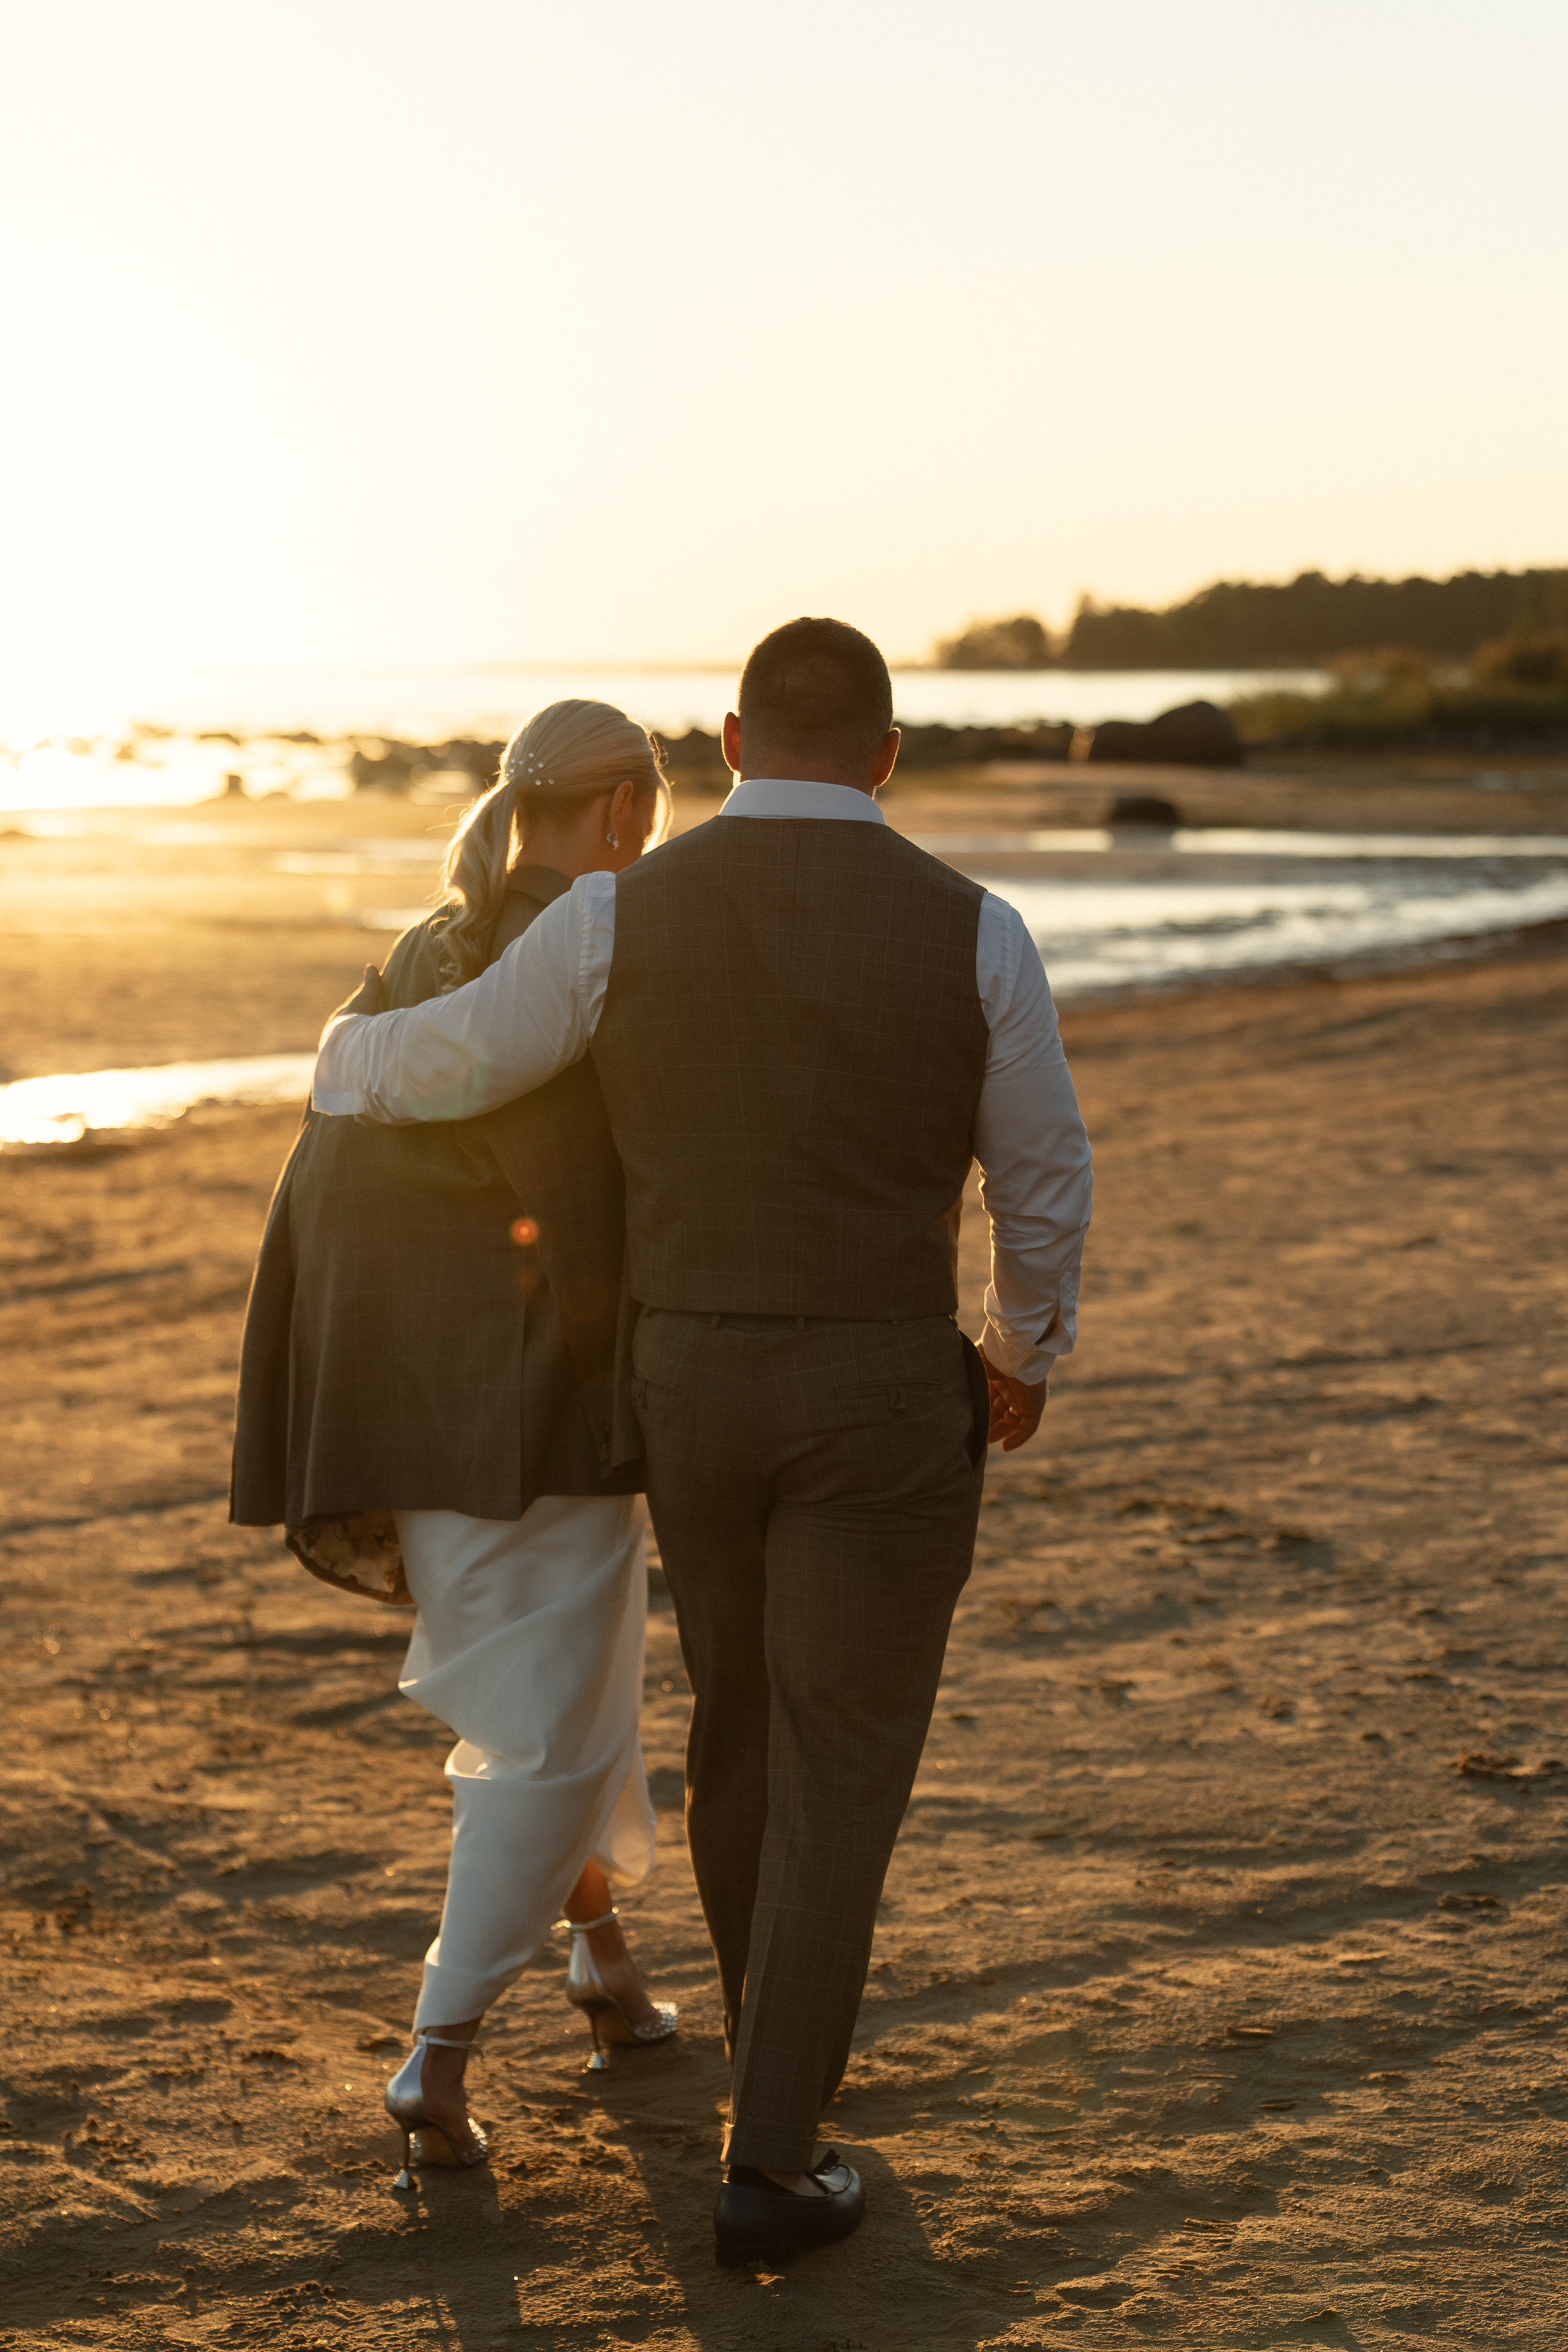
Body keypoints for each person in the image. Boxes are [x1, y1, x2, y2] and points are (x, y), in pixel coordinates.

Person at [310, 619, 1093, 2261]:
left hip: (696, 1401)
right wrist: (1023, 1354)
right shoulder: (979, 931)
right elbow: (1042, 1180)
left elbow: (451, 1064)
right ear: (886, 757)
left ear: (734, 743)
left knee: (740, 1730)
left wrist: (340, 1052)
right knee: (844, 1762)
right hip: (886, 1392)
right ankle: (776, 2156)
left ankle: (769, 2078)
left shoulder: (613, 916)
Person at [231, 700, 680, 2189]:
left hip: (392, 1381)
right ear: (622, 813)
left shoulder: (431, 937)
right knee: (544, 1731)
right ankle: (436, 2053)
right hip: (517, 1395)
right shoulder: (586, 937)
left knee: (573, 1675)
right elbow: (523, 1128)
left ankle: (603, 1961)